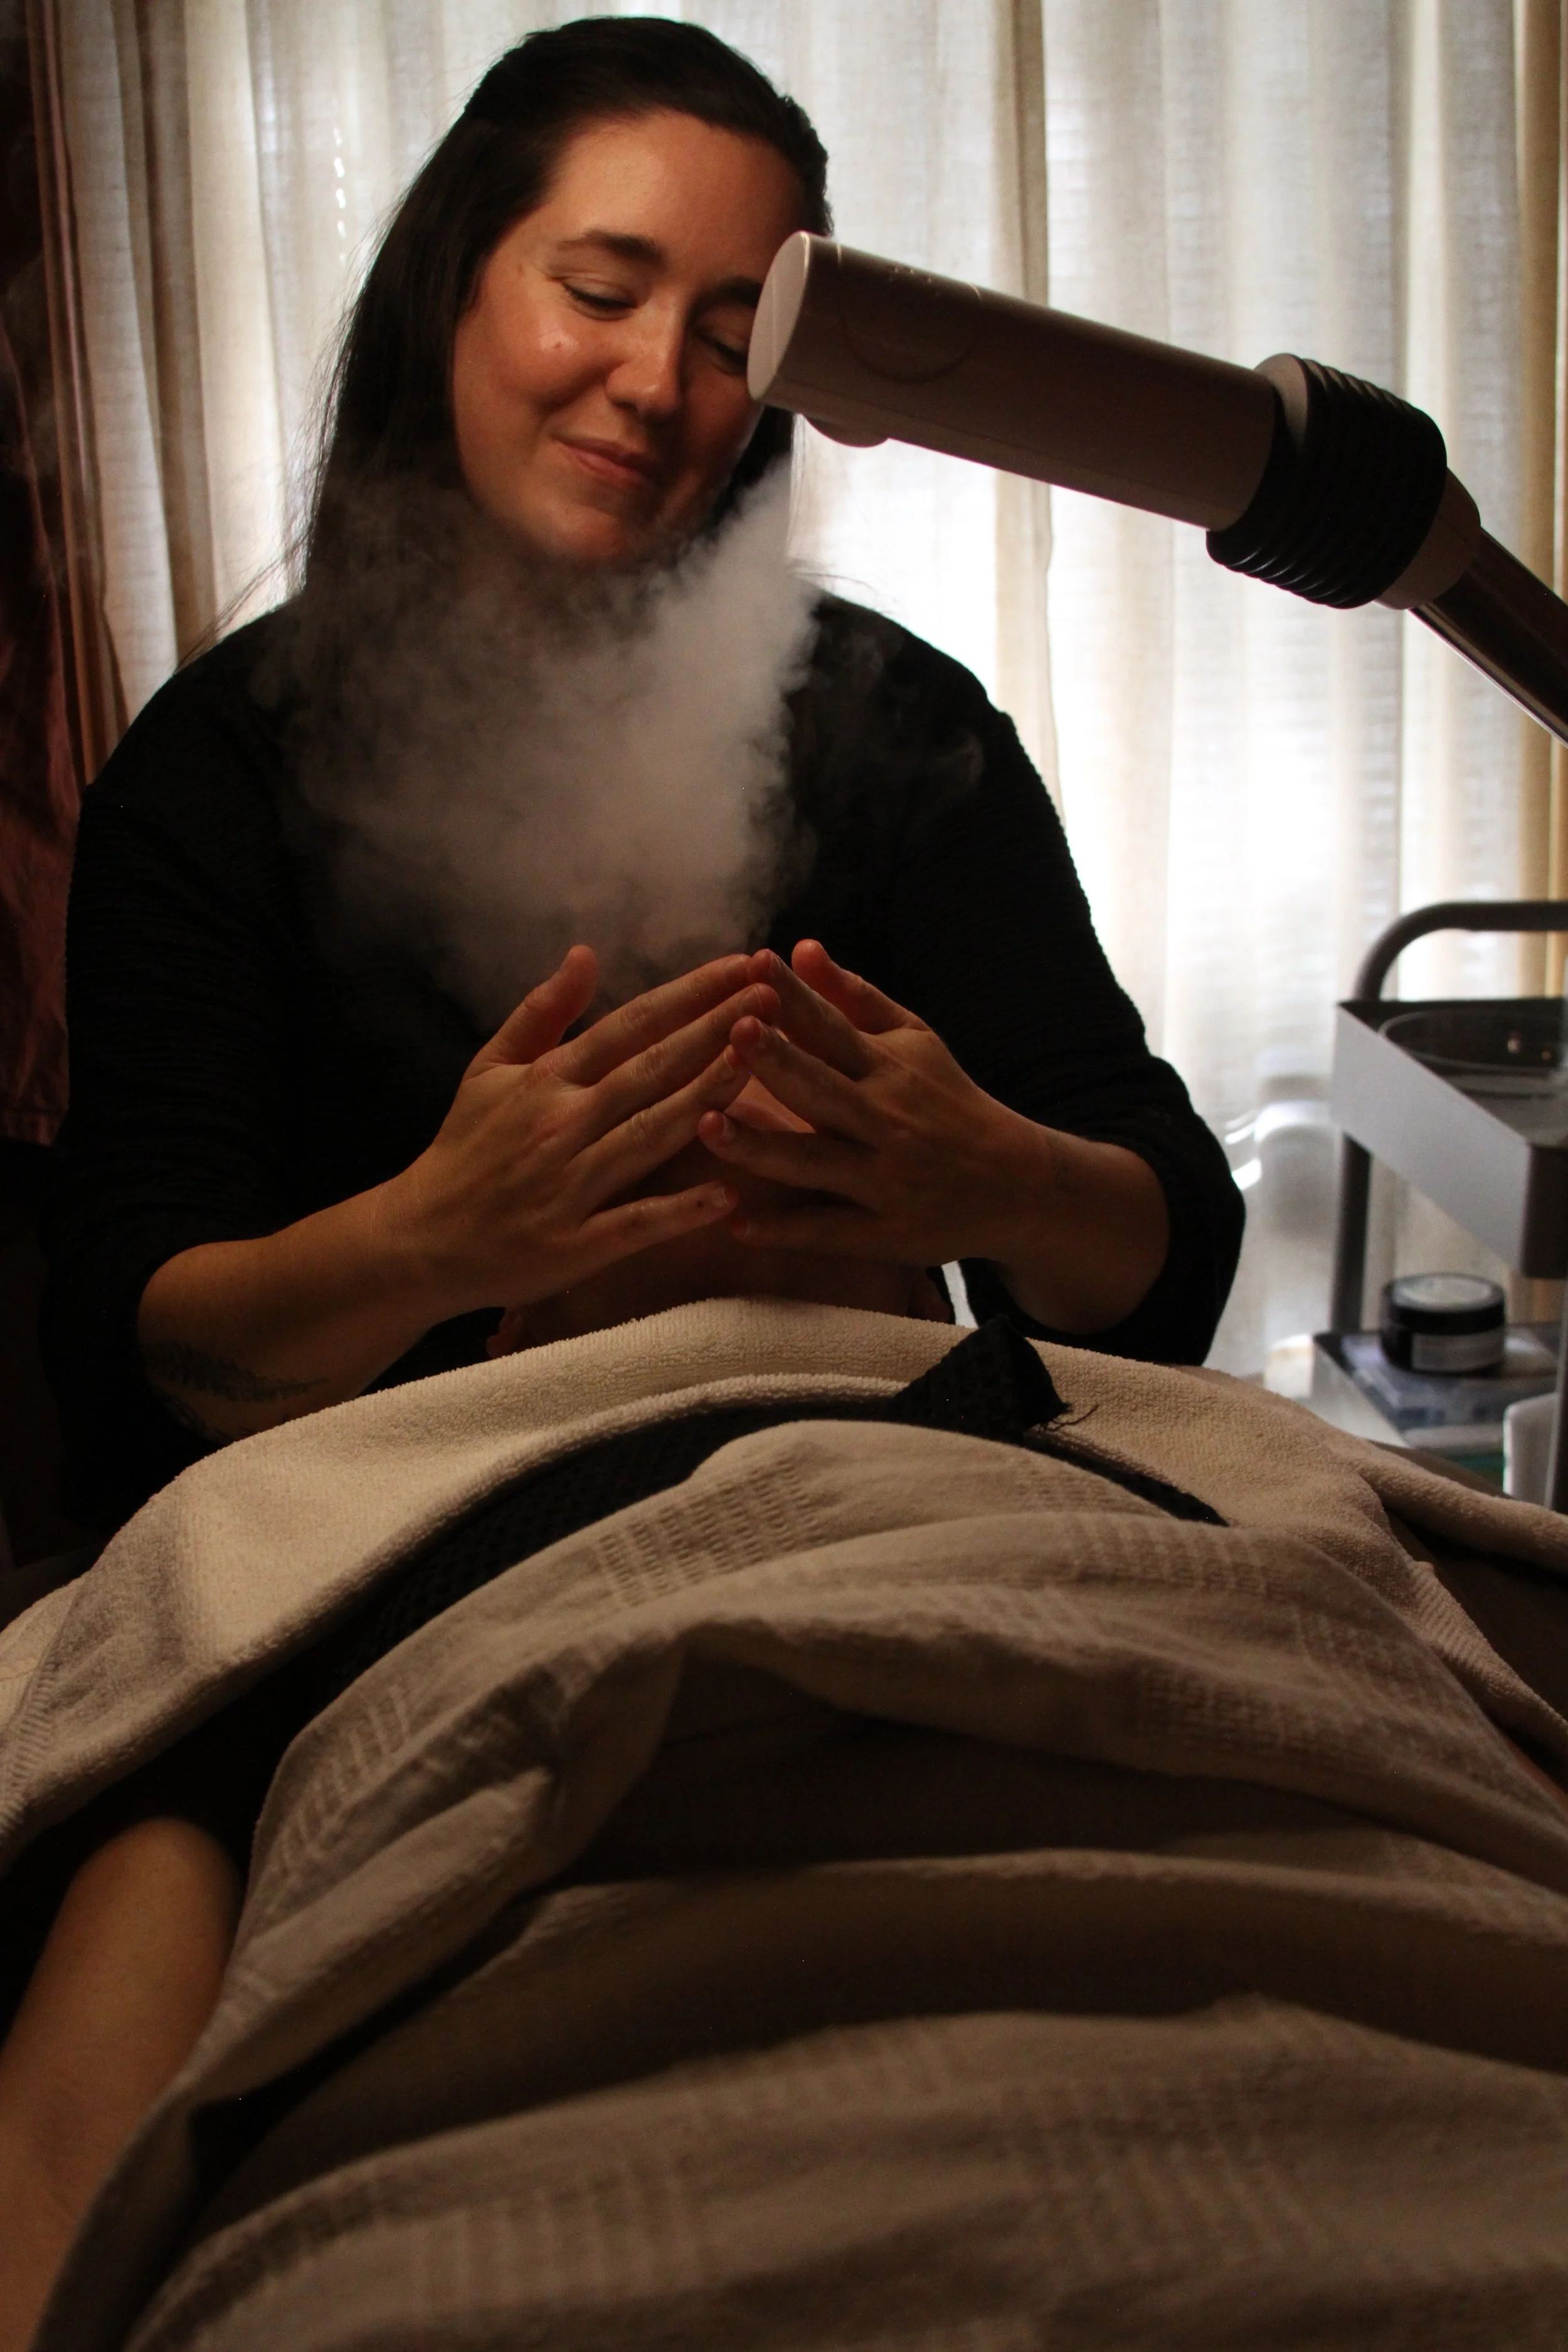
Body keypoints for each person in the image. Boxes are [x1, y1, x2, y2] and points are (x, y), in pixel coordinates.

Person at [41, 17, 1243, 1535]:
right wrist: (435, 1241)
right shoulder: (218, 766)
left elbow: (1172, 1251)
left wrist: (999, 1183)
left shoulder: (896, 729)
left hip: (865, 1541)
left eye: (736, 340)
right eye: (600, 292)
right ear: (455, 282)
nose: (656, 379)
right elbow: (130, 1346)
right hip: (398, 1567)